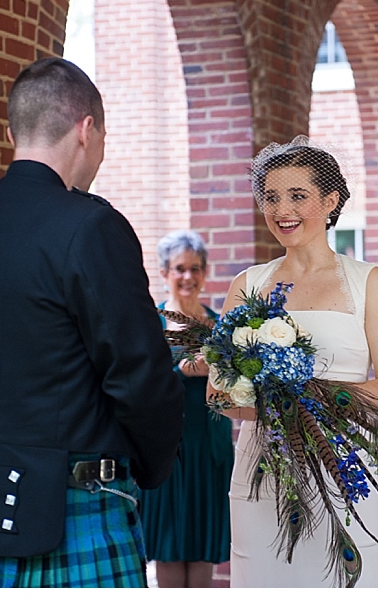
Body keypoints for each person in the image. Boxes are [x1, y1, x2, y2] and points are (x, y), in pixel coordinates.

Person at [0, 58, 184, 586]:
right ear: (87, 129)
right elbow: (141, 376)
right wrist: (154, 467)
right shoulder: (92, 226)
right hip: (77, 510)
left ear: (12, 132)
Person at [210, 136, 378, 588]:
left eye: (298, 195)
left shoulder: (369, 282)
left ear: (330, 200)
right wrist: (274, 400)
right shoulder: (248, 284)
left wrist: (305, 394)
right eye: (271, 196)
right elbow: (219, 394)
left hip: (342, 469)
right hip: (261, 473)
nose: (283, 209)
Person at [139, 230, 233, 587]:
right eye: (179, 268)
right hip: (168, 453)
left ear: (205, 273)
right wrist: (181, 370)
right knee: (171, 548)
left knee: (202, 549)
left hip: (209, 450)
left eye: (195, 269)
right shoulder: (153, 322)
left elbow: (236, 389)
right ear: (164, 273)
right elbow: (140, 383)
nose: (188, 277)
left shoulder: (219, 326)